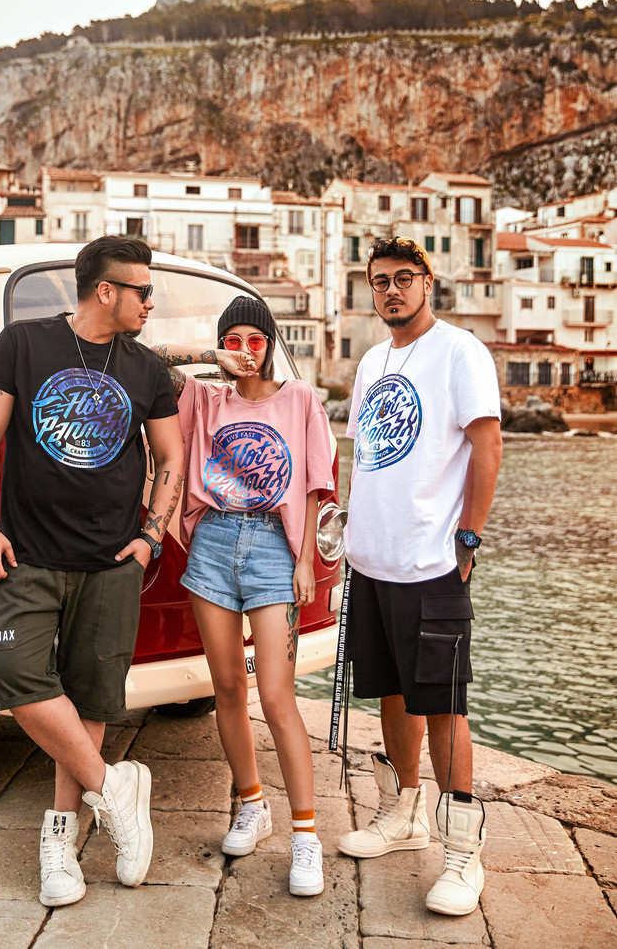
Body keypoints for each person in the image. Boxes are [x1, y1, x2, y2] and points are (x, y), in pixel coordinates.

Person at [0, 236, 184, 908]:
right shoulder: (22, 344)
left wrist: (151, 535)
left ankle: (61, 841)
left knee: (90, 699)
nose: (151, 302)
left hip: (112, 560)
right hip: (26, 554)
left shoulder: (147, 367)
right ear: (106, 291)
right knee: (13, 675)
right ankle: (116, 790)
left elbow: (170, 456)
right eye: (143, 291)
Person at [334, 236, 502, 917]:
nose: (392, 290)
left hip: (432, 562)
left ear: (428, 282)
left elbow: (487, 444)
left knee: (443, 704)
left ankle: (464, 853)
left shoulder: (460, 351)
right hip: (372, 562)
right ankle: (404, 814)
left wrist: (469, 537)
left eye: (405, 278)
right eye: (380, 281)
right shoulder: (373, 361)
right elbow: (368, 458)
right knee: (392, 692)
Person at [153, 294, 335, 898]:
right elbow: (147, 358)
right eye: (233, 340)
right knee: (227, 687)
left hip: (274, 550)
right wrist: (213, 359)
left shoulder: (300, 399)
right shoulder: (205, 399)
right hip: (212, 543)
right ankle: (252, 805)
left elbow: (315, 485)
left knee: (278, 697)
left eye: (255, 339)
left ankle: (305, 835)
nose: (246, 350)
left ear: (272, 343)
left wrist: (305, 561)